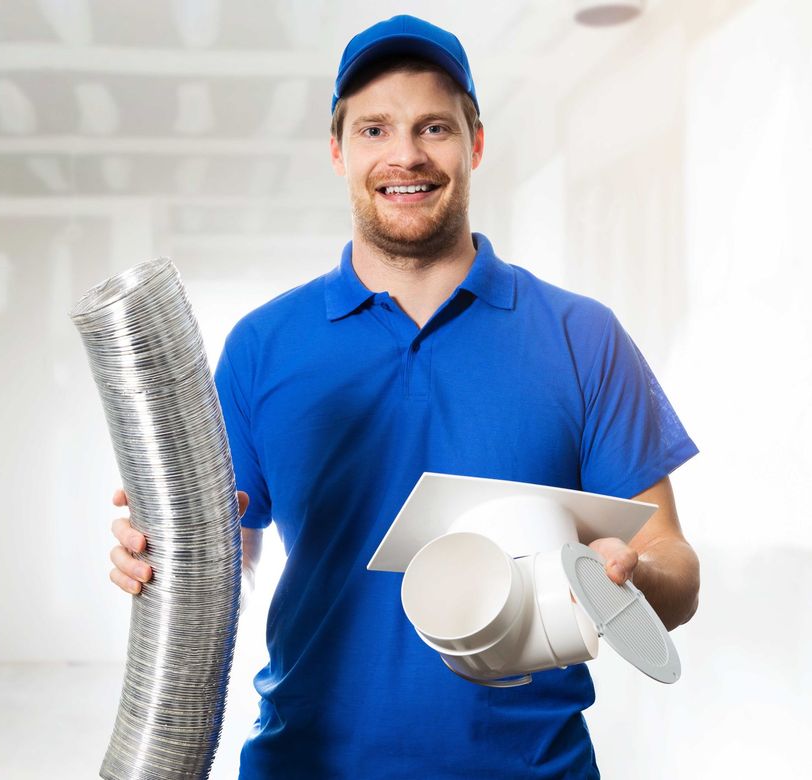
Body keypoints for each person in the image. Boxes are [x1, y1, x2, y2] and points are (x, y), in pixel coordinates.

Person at [110, 15, 700, 779]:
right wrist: (163, 557)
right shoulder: (264, 345)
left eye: (433, 127)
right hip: (306, 763)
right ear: (338, 151)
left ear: (475, 143)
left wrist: (631, 576)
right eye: (374, 129)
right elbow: (236, 557)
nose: (406, 155)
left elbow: (674, 567)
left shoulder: (581, 336)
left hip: (531, 768)